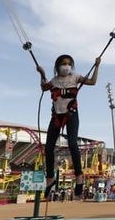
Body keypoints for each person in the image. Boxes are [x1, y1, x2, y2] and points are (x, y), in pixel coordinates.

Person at [38, 53, 100, 198]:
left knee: (73, 144)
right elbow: (43, 87)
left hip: (71, 114)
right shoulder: (54, 81)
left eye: (68, 64)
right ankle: (50, 178)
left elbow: (92, 81)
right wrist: (42, 74)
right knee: (48, 148)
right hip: (56, 116)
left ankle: (79, 177)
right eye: (63, 64)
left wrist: (97, 66)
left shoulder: (76, 77)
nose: (66, 66)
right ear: (58, 66)